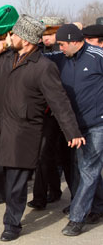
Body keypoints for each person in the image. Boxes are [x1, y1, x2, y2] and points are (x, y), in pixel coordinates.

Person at [0, 15, 84, 242]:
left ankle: (12, 224)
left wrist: (72, 132)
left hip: (24, 131)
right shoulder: (7, 59)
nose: (11, 37)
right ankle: (9, 206)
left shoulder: (44, 67)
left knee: (16, 183)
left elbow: (59, 101)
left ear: (26, 39)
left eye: (15, 34)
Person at [47, 24, 103, 236]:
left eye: (62, 44)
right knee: (85, 168)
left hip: (98, 124)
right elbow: (40, 57)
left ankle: (76, 217)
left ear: (73, 41)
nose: (59, 47)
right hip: (75, 127)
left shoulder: (98, 56)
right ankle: (98, 206)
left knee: (88, 170)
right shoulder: (61, 58)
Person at [28, 16, 71, 210]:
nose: (46, 38)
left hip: (64, 113)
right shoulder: (41, 53)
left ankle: (72, 196)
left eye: (50, 33)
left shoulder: (66, 54)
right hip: (46, 114)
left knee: (66, 159)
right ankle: (41, 195)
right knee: (43, 155)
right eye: (43, 34)